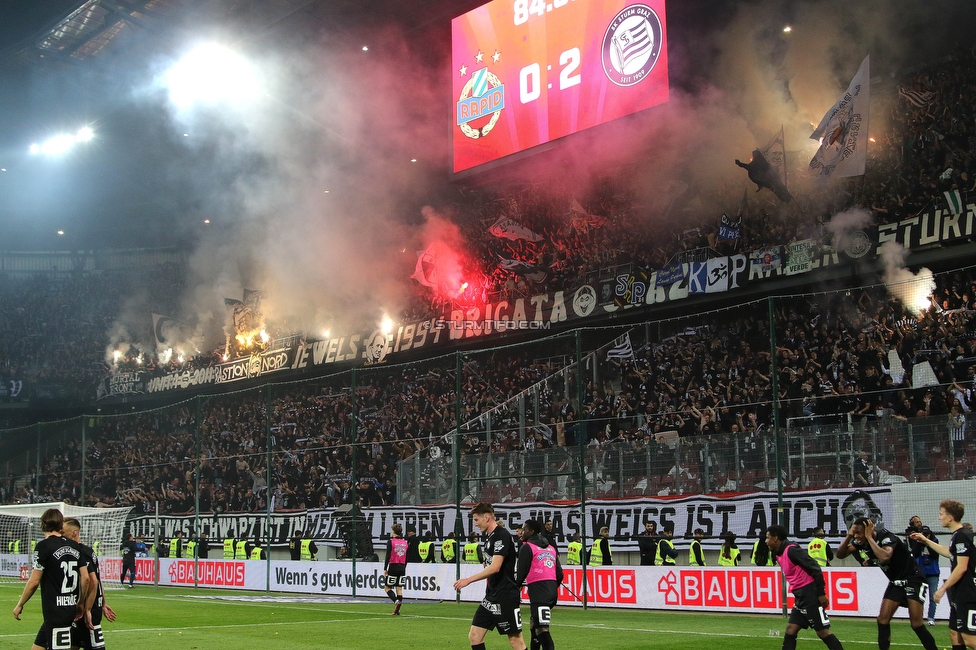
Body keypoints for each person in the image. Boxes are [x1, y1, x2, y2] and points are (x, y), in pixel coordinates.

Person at [835, 518, 938, 650]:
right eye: (854, 533)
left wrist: (869, 538)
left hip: (913, 578)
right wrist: (849, 535)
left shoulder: (887, 537)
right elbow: (840, 555)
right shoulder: (859, 542)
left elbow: (885, 557)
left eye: (859, 533)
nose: (856, 536)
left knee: (916, 624)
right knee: (882, 620)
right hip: (896, 581)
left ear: (869, 531)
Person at [12, 508, 90, 650]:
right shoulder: (74, 546)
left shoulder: (43, 546)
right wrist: (81, 603)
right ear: (61, 525)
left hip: (55, 611)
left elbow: (34, 581)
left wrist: (20, 603)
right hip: (70, 608)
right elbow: (85, 579)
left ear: (42, 525)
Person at [453, 503, 526, 650]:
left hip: (505, 595)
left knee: (515, 641)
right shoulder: (490, 537)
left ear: (487, 517)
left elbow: (496, 566)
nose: (475, 524)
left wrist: (468, 580)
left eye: (476, 519)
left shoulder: (501, 535)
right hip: (492, 596)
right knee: (475, 636)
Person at [765, 524, 846, 650]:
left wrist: (821, 593)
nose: (766, 541)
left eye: (767, 538)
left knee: (822, 632)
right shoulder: (778, 553)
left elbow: (815, 568)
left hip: (810, 595)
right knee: (791, 630)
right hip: (800, 596)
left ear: (775, 538)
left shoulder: (792, 550)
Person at [910, 500, 976, 650]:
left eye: (941, 514)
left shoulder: (962, 536)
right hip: (959, 593)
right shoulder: (957, 536)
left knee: (971, 641)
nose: (939, 517)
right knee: (955, 634)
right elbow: (950, 553)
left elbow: (962, 567)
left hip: (968, 593)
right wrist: (925, 541)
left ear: (950, 517)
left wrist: (942, 589)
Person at [64, 516, 117, 650]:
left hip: (87, 610)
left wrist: (87, 608)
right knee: (73, 645)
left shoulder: (80, 552)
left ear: (74, 532)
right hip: (81, 610)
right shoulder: (88, 551)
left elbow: (93, 581)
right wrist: (103, 603)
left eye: (64, 533)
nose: (62, 536)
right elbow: (98, 580)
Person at [518, 520, 562, 650]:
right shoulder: (551, 548)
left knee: (542, 630)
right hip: (551, 592)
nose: (522, 532)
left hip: (539, 593)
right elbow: (559, 573)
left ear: (531, 532)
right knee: (534, 627)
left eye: (524, 529)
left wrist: (515, 587)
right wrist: (552, 586)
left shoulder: (527, 547)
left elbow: (521, 572)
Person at [906, 516, 940, 626]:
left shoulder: (934, 541)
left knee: (932, 597)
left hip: (933, 573)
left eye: (928, 534)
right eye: (924, 534)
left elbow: (935, 554)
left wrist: (927, 542)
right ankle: (918, 617)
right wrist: (920, 542)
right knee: (919, 597)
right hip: (921, 573)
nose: (926, 536)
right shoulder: (917, 541)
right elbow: (914, 553)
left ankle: (931, 618)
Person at [384, 523, 409, 616]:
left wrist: (385, 568)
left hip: (393, 566)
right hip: (402, 567)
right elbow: (407, 558)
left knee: (387, 587)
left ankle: (396, 601)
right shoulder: (405, 542)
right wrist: (404, 567)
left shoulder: (391, 541)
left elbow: (387, 556)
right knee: (399, 589)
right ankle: (397, 610)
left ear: (394, 532)